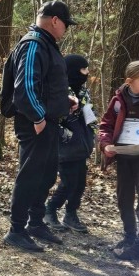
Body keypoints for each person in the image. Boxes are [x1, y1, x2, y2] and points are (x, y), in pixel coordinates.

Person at [3, 0, 77, 253]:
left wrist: (63, 101)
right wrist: (38, 118)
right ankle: (16, 230)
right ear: (55, 20)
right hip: (34, 123)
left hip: (48, 121)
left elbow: (44, 84)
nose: (66, 29)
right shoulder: (33, 44)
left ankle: (35, 223)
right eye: (66, 24)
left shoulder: (46, 44)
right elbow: (24, 88)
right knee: (30, 176)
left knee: (46, 175)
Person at [99, 60, 139, 262]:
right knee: (124, 198)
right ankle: (129, 237)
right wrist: (106, 144)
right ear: (129, 81)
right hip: (124, 157)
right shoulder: (118, 100)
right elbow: (106, 125)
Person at [44, 55, 96, 233]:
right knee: (68, 182)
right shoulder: (59, 91)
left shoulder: (83, 91)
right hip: (64, 145)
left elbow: (90, 115)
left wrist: (92, 135)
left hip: (81, 144)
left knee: (80, 183)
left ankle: (71, 214)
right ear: (73, 70)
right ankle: (50, 210)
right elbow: (53, 118)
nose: (87, 73)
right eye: (83, 69)